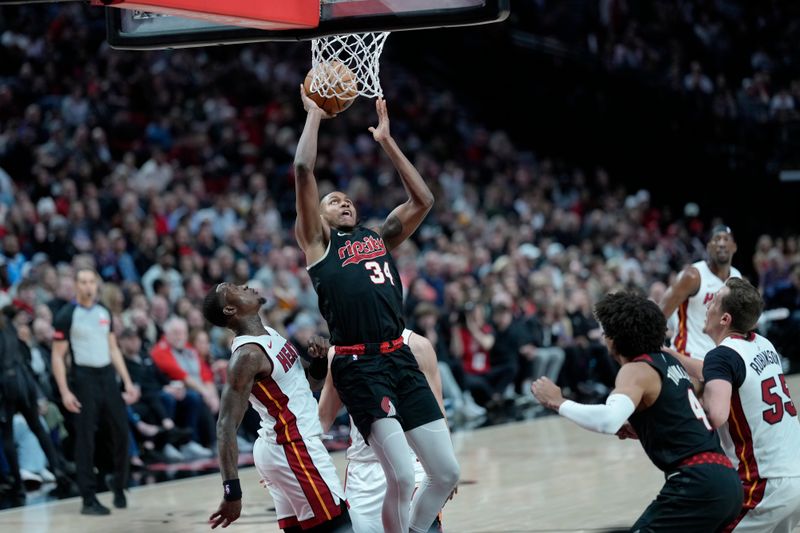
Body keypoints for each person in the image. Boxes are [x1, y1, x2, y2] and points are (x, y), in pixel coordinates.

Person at [294, 88, 460, 533]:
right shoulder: (318, 245)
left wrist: (387, 141)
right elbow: (303, 168)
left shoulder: (378, 238)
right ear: (319, 215)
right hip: (359, 363)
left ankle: (415, 530)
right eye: (332, 200)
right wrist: (314, 115)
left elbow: (423, 200)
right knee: (403, 476)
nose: (343, 201)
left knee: (446, 474)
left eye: (346, 198)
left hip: (398, 355)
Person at [532, 291, 742, 532]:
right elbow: (681, 411)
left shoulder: (636, 370)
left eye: (604, 333)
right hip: (726, 481)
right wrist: (646, 428)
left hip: (697, 484)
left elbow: (608, 421)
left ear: (614, 338)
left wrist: (559, 402)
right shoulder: (669, 362)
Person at [203, 283, 350, 531]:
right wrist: (232, 491)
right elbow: (226, 425)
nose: (245, 286)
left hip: (283, 446)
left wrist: (319, 360)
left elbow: (312, 381)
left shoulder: (269, 333)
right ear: (230, 309)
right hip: (292, 447)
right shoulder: (248, 355)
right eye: (235, 289)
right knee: (340, 523)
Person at [677, 278, 800, 532]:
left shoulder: (722, 356)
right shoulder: (762, 344)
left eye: (713, 301)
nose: (708, 304)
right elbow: (718, 372)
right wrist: (670, 355)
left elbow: (716, 415)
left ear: (725, 319)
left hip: (764, 483)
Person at [315, 329, 447, 533]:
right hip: (364, 472)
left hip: (414, 465)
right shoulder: (339, 352)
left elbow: (437, 409)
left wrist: (444, 464)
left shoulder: (418, 346)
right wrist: (293, 458)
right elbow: (323, 417)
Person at [51, 268, 140, 515]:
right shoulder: (67, 315)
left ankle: (120, 486)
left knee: (122, 432)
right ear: (76, 285)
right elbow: (57, 357)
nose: (88, 286)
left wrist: (128, 382)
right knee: (85, 439)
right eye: (83, 282)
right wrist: (65, 391)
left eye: (91, 281)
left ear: (96, 285)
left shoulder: (104, 312)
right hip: (83, 378)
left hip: (107, 377)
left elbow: (113, 349)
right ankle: (88, 499)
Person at [660, 224, 741, 359]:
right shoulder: (692, 276)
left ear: (734, 247)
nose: (721, 244)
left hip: (720, 358)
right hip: (688, 356)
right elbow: (660, 314)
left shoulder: (737, 277)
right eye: (717, 239)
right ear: (709, 247)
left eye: (726, 239)